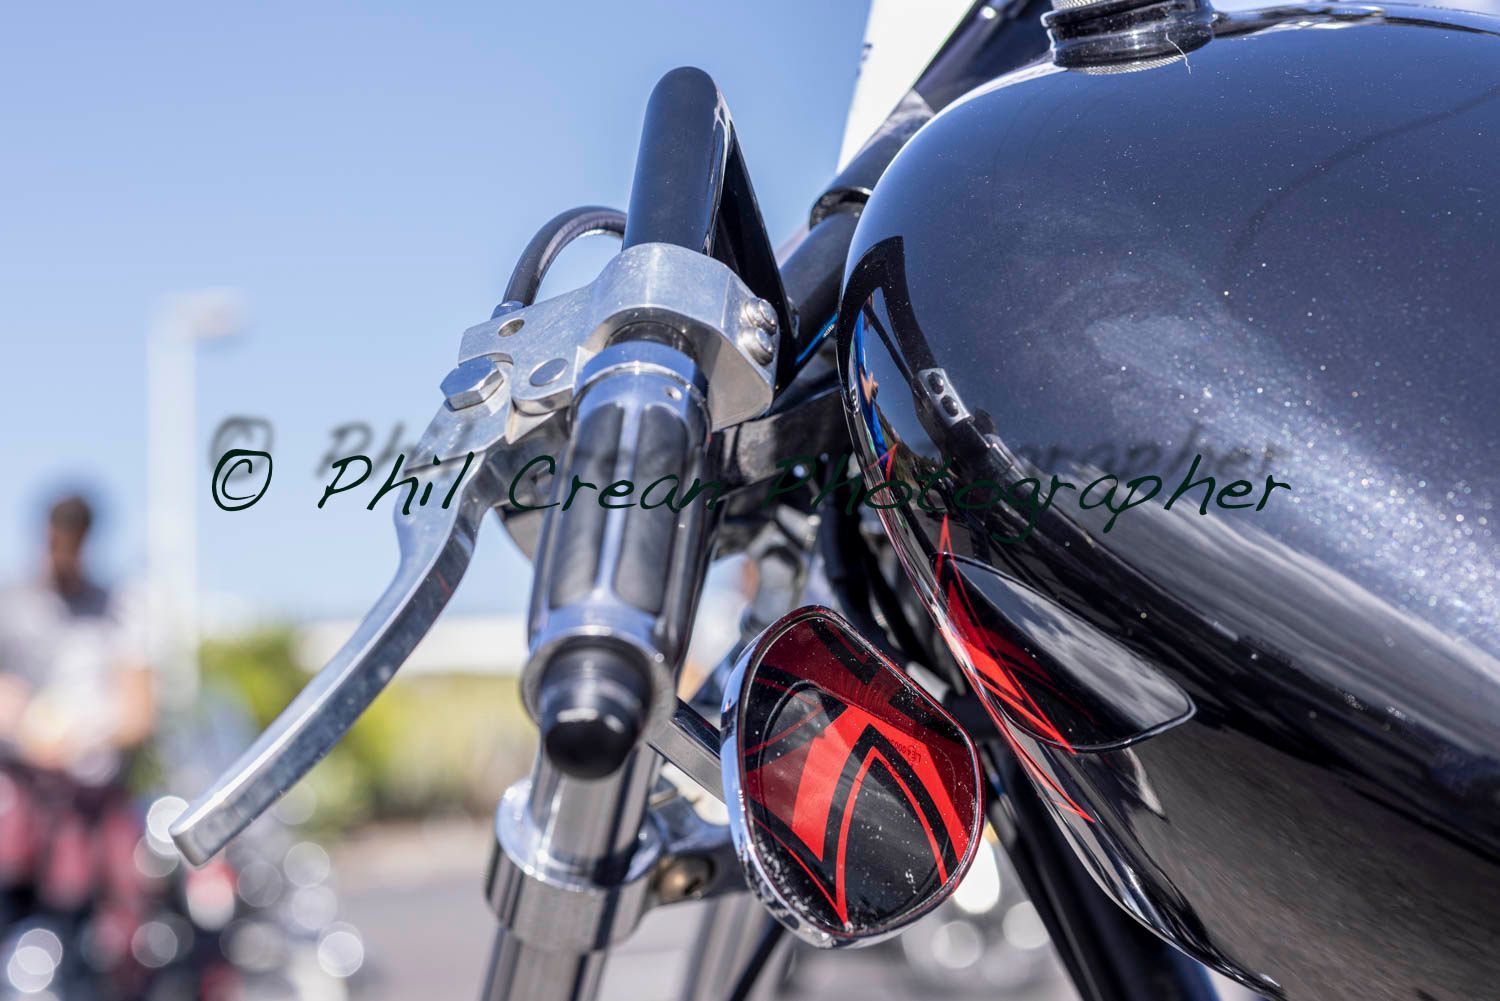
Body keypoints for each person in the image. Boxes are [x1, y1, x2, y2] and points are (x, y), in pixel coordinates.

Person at [0, 492, 155, 988]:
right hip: (26, 790)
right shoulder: (15, 606)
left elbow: (138, 708)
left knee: (114, 920)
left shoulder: (115, 611)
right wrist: (28, 727)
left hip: (94, 796)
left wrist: (88, 733)